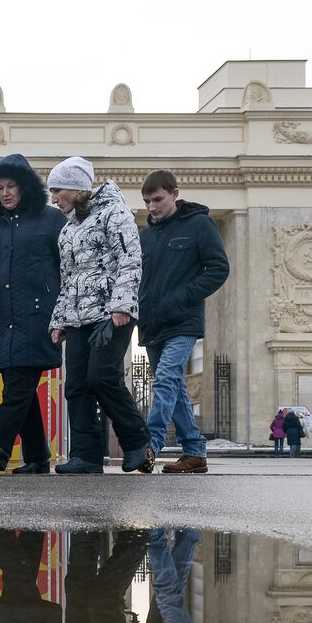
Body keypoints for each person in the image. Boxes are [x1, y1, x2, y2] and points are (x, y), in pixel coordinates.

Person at [0, 154, 68, 475]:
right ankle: (36, 459)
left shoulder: (52, 220)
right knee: (21, 391)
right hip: (0, 319)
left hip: (36, 319)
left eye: (12, 186)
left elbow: (74, 261)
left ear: (26, 187)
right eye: (0, 187)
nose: (5, 193)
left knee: (18, 388)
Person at [45, 157, 154, 475]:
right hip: (78, 316)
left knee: (102, 377)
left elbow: (131, 258)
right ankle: (86, 456)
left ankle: (137, 442)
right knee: (75, 386)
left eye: (57, 190)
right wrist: (59, 319)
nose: (54, 199)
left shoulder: (114, 211)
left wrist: (121, 306)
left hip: (111, 314)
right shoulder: (67, 230)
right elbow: (69, 277)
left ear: (77, 188)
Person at [136, 170, 230, 474]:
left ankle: (150, 444)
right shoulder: (144, 236)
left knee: (164, 378)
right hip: (152, 324)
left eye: (158, 199)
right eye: (147, 201)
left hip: (183, 320)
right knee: (174, 384)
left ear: (175, 193)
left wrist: (184, 297)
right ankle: (194, 452)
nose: (152, 206)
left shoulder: (199, 225)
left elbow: (218, 268)